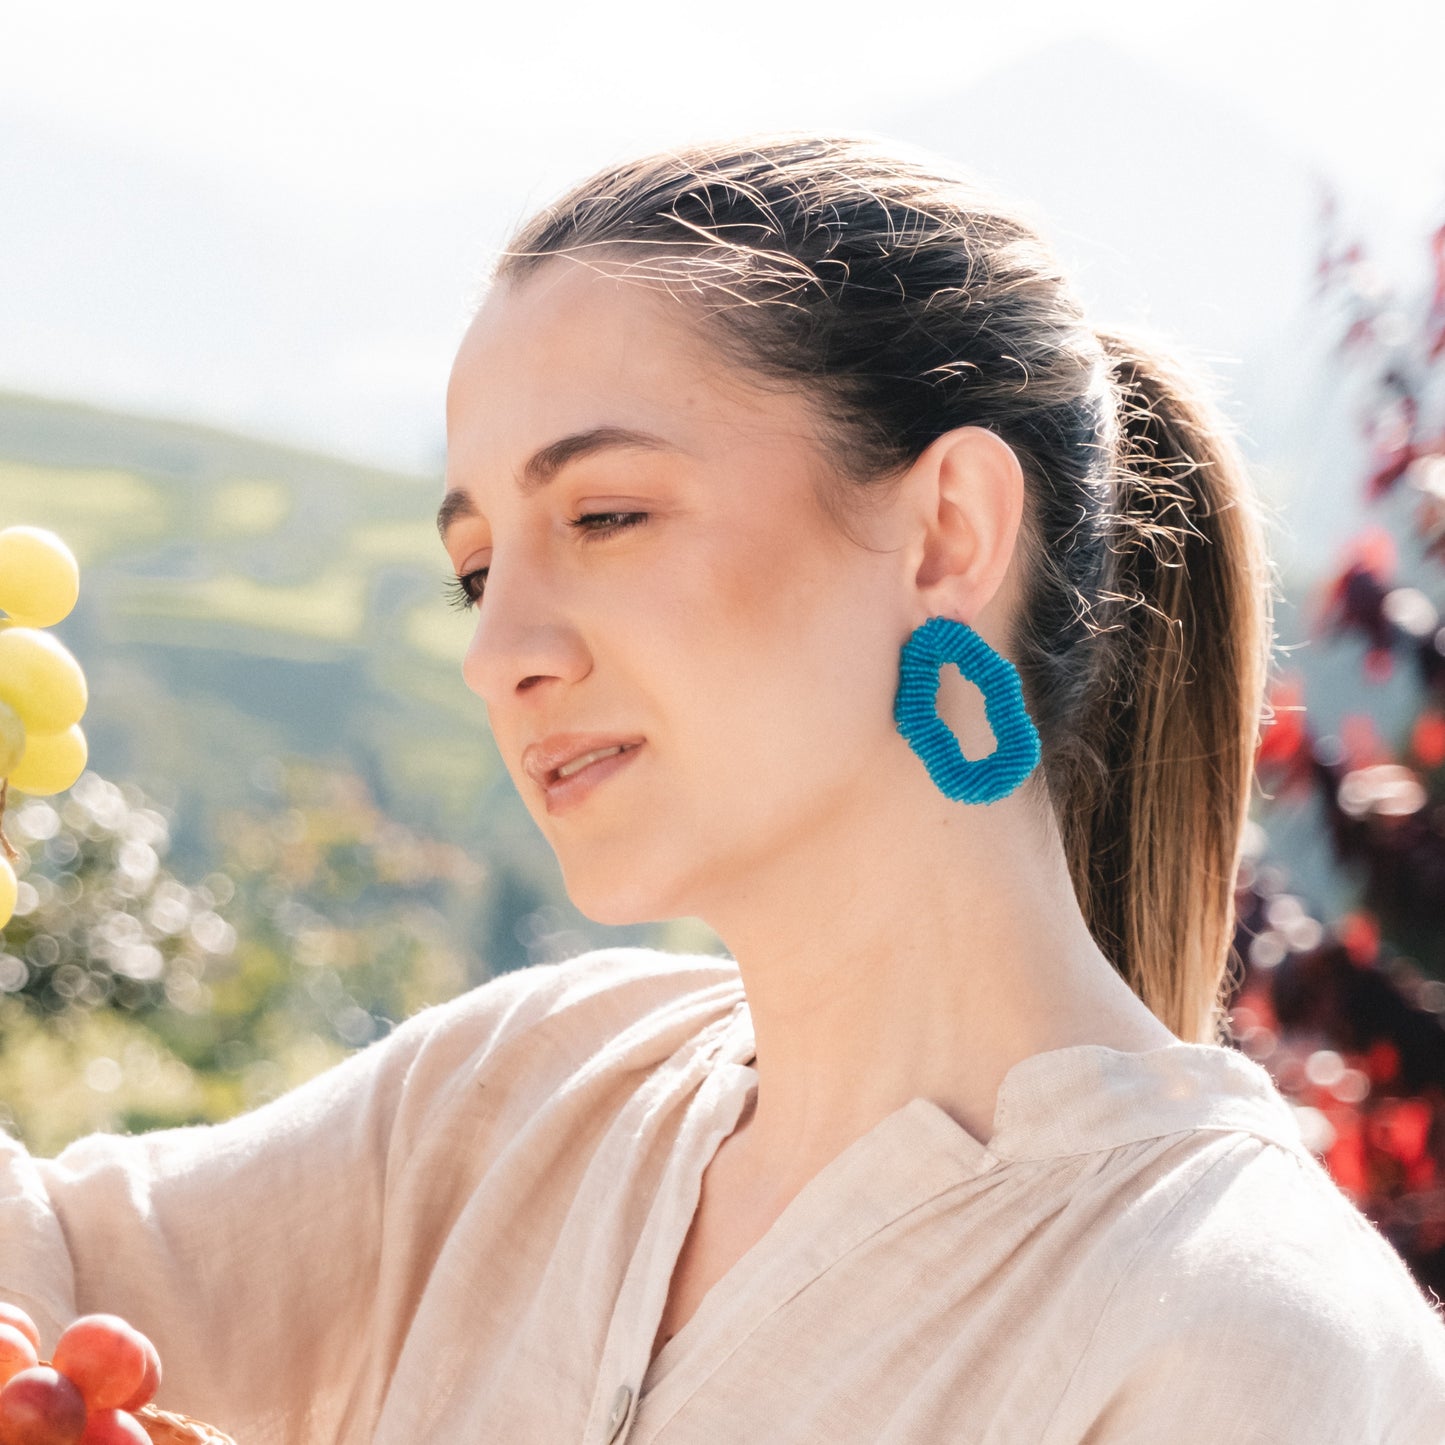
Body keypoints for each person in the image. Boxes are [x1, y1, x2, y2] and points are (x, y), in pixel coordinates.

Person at [4, 132, 1445, 1443]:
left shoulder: (1252, 1343)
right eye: (475, 571)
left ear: (947, 531)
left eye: (606, 515)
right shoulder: (523, 1091)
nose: (497, 649)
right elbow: (45, 1260)